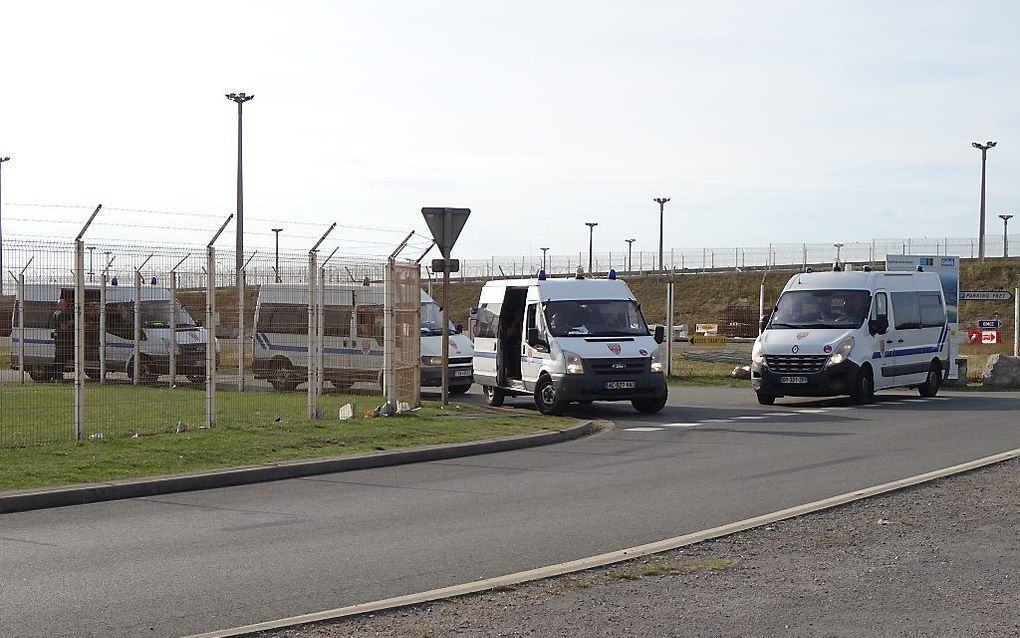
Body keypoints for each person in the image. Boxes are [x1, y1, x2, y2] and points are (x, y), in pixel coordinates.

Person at [50, 298, 74, 376]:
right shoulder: (62, 314)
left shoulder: (55, 313)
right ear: (61, 305)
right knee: (62, 358)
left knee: (58, 357)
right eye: (65, 304)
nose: (66, 305)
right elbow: (63, 327)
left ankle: (56, 375)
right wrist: (70, 323)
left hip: (57, 338)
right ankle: (59, 375)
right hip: (62, 339)